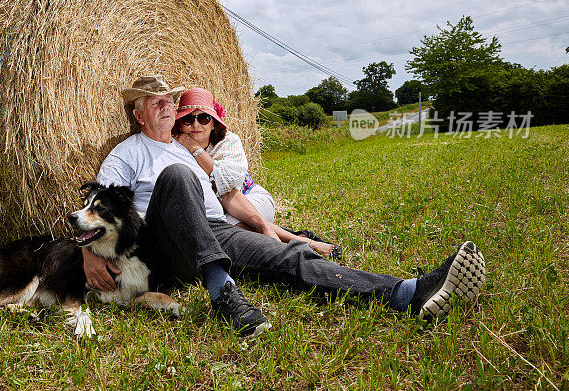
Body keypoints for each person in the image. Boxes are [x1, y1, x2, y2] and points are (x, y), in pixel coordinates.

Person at [84, 75, 486, 338]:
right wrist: (87, 251)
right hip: (167, 246)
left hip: (217, 231)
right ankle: (223, 293)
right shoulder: (129, 152)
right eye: (153, 102)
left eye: (168, 99)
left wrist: (275, 232)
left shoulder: (191, 148)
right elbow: (95, 207)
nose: (166, 105)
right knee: (176, 177)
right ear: (138, 115)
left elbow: (231, 199)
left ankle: (408, 294)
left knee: (294, 258)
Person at [173, 87, 340, 260]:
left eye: (203, 118)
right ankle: (297, 240)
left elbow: (224, 181)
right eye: (187, 119)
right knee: (221, 224)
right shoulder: (173, 146)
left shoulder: (228, 141)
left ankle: (302, 243)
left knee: (227, 225)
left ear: (214, 122)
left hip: (248, 199)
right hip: (221, 212)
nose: (195, 125)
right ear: (179, 123)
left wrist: (194, 148)